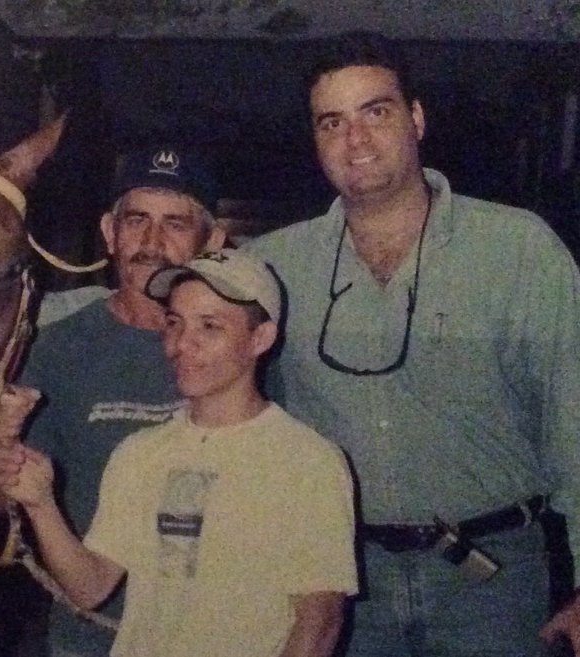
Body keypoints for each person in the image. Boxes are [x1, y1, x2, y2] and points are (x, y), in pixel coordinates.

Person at [247, 30, 580, 656]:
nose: (356, 140)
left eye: (376, 112)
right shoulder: (272, 267)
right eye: (332, 122)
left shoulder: (517, 249)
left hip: (493, 584)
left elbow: (576, 417)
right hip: (338, 581)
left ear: (417, 118)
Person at [0, 249, 357, 657]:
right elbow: (90, 588)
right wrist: (41, 504)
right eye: (174, 323)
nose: (182, 344)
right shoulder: (140, 454)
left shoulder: (309, 461)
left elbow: (319, 622)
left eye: (210, 327)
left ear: (260, 338)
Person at [15, 145, 226, 655]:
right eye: (137, 221)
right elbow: (12, 494)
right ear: (110, 232)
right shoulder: (53, 347)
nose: (151, 243)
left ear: (212, 241)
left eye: (175, 224)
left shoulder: (240, 348)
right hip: (86, 634)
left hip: (215, 633)